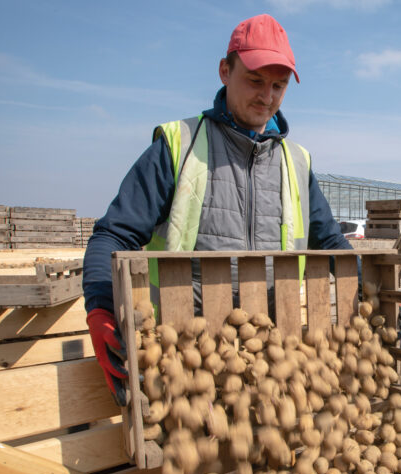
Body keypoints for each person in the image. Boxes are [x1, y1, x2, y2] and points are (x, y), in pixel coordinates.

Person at [83, 14, 351, 405]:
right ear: (225, 71)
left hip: (269, 359)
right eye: (255, 81)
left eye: (278, 86)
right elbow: (114, 233)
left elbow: (330, 241)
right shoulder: (179, 145)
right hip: (185, 355)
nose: (267, 96)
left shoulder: (296, 161)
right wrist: (102, 308)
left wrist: (367, 289)